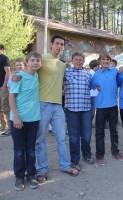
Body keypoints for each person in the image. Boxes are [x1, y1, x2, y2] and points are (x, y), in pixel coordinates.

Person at [34, 34, 79, 182]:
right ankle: (41, 170)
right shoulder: (43, 59)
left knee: (61, 138)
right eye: (57, 44)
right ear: (51, 44)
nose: (60, 47)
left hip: (58, 106)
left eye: (62, 44)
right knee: (40, 140)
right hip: (42, 104)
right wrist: (17, 76)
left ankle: (65, 165)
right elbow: (29, 70)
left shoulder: (62, 64)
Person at [9, 52, 42, 190]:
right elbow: (11, 97)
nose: (35, 63)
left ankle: (31, 175)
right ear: (27, 62)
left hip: (33, 119)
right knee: (19, 150)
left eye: (38, 61)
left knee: (30, 149)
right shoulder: (19, 77)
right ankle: (19, 177)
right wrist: (16, 116)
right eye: (32, 60)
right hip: (18, 120)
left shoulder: (37, 75)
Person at [91, 51, 123, 165]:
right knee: (99, 132)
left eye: (108, 60)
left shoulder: (115, 72)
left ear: (111, 62)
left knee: (114, 131)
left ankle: (115, 152)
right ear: (100, 61)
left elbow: (122, 77)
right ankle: (99, 155)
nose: (106, 61)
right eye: (103, 59)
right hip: (100, 107)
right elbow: (92, 87)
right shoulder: (95, 74)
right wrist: (96, 88)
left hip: (113, 106)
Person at [64, 52, 95, 171]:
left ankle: (87, 155)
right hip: (71, 109)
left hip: (86, 109)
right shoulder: (66, 72)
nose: (78, 61)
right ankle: (75, 160)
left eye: (80, 60)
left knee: (87, 134)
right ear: (72, 60)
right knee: (74, 136)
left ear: (83, 61)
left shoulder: (88, 75)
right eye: (76, 59)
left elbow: (94, 86)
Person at [2, 58, 26, 137]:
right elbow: (9, 87)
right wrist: (11, 96)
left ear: (24, 65)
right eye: (17, 65)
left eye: (21, 65)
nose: (19, 66)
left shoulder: (27, 74)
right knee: (11, 111)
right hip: (15, 97)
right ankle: (10, 127)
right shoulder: (12, 75)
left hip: (24, 99)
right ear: (15, 66)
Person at [0, 44, 11, 136]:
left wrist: (4, 85)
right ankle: (3, 126)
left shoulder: (4, 58)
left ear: (1, 49)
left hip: (3, 87)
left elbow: (8, 72)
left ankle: (11, 128)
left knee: (6, 107)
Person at [89, 59, 100, 124]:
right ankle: (89, 123)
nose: (99, 67)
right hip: (92, 94)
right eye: (98, 66)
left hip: (95, 94)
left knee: (94, 110)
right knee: (92, 110)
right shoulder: (91, 74)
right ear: (95, 66)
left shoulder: (94, 73)